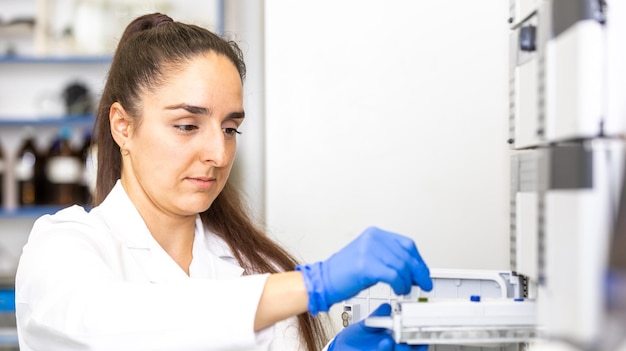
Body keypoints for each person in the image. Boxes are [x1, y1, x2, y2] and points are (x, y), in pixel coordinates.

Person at [14, 13, 433, 351]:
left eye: (230, 128)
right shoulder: (64, 247)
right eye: (186, 125)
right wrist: (310, 285)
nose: (218, 153)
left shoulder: (259, 268)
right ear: (123, 126)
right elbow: (106, 326)